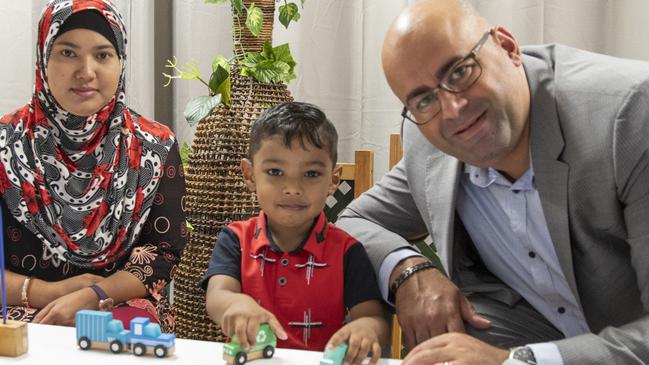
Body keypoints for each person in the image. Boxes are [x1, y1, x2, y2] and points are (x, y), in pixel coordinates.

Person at [336, 0, 649, 364]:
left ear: (508, 47)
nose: (452, 108)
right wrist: (411, 271)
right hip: (526, 332)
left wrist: (514, 362)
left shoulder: (628, 116)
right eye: (423, 100)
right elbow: (354, 222)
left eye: (459, 72)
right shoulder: (429, 144)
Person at [0, 0, 187, 333]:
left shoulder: (154, 146)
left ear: (120, 61)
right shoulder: (5, 143)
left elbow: (162, 254)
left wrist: (95, 294)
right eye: (68, 53)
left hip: (117, 307)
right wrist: (48, 293)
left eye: (102, 55)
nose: (86, 71)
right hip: (20, 309)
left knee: (133, 330)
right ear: (44, 58)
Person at [202, 102, 388, 365]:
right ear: (250, 175)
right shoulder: (235, 239)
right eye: (275, 172)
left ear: (333, 180)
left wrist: (366, 330)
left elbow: (373, 317)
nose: (292, 188)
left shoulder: (347, 251)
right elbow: (217, 295)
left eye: (311, 173)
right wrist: (234, 304)